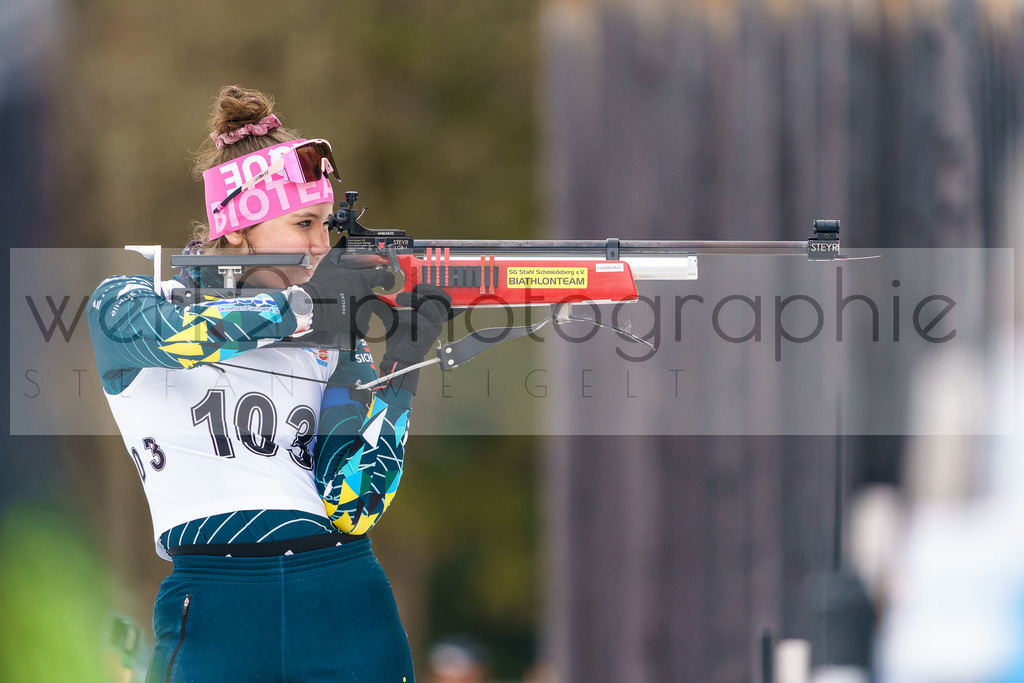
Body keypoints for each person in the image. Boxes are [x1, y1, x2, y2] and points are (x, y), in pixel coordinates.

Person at [87, 85, 449, 681]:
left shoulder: (334, 335)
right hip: (215, 607)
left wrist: (401, 369)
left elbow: (354, 504)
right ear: (236, 231)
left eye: (326, 225)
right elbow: (180, 336)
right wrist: (303, 307)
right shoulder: (132, 301)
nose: (321, 245)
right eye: (304, 224)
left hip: (344, 598)